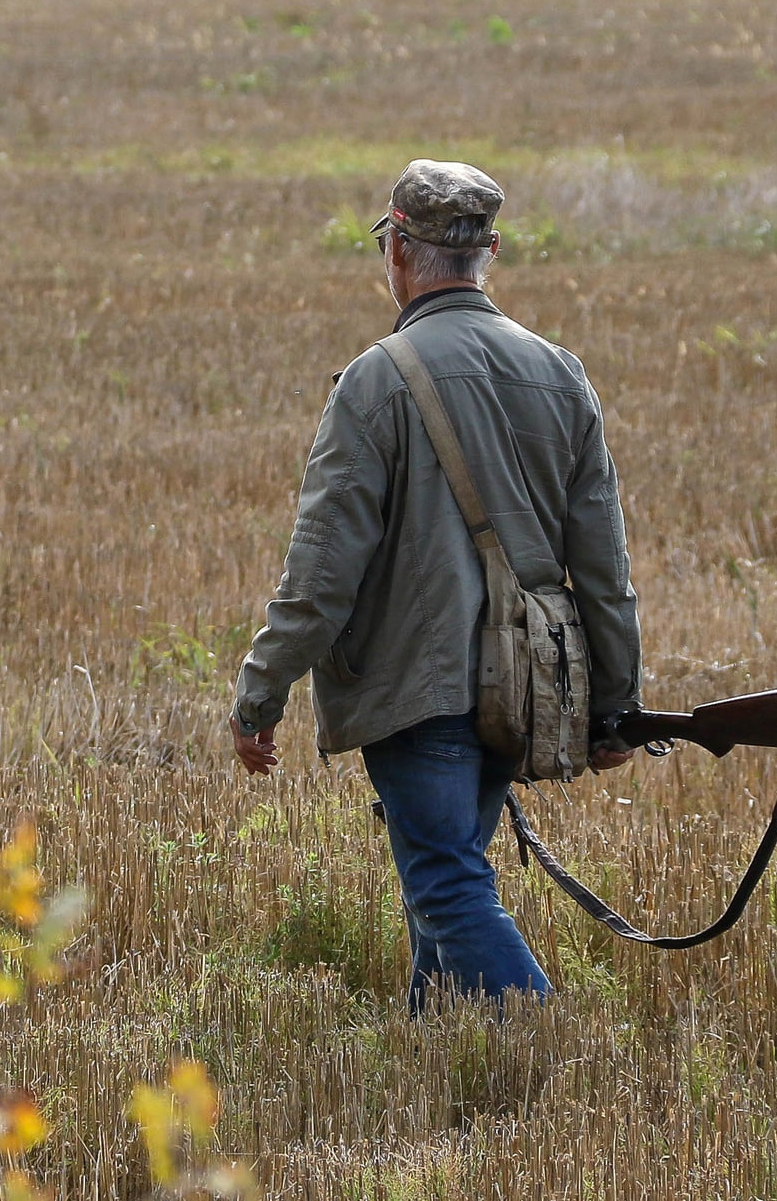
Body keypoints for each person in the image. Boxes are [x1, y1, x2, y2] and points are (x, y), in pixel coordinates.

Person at [230, 159, 642, 1011]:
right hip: (523, 686)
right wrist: (614, 705)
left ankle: (548, 1048)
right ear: (488, 251)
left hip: (417, 690)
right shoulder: (560, 374)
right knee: (445, 881)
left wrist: (258, 695)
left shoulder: (376, 381)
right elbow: (605, 570)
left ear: (398, 247)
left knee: (448, 885)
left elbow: (320, 575)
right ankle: (440, 1055)